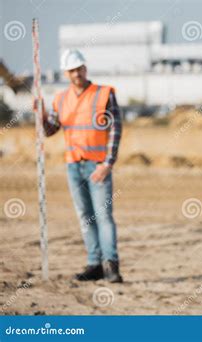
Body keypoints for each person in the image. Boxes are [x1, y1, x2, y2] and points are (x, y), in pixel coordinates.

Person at [34, 49, 123, 283]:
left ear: (85, 68)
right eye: (72, 70)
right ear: (66, 73)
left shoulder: (103, 94)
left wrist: (107, 163)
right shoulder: (61, 98)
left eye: (79, 69)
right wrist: (41, 115)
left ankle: (111, 266)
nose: (76, 74)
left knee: (103, 216)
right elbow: (50, 130)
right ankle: (94, 264)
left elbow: (115, 129)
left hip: (98, 166)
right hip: (73, 166)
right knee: (86, 216)